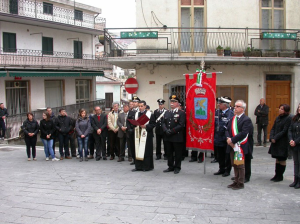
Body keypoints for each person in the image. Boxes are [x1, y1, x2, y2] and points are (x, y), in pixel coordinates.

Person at [226, 100, 252, 190]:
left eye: (237, 106)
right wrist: (228, 139)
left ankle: (240, 182)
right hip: (232, 145)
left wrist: (232, 140)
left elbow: (244, 133)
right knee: (234, 164)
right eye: (235, 106)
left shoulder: (246, 119)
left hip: (240, 146)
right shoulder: (233, 118)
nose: (235, 108)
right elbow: (227, 129)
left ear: (242, 109)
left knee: (240, 165)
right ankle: (236, 181)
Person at [269, 104, 292, 182]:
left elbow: (284, 131)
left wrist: (275, 137)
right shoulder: (278, 118)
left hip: (283, 142)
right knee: (277, 158)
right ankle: (276, 175)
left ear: (286, 110)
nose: (279, 110)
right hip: (276, 142)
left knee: (282, 158)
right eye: (279, 108)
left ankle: (280, 175)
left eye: (282, 109)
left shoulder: (289, 118)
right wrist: (271, 137)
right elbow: (273, 128)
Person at [162, 95, 185, 174]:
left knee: (177, 153)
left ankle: (177, 167)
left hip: (176, 136)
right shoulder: (167, 112)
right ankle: (170, 166)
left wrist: (172, 131)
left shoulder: (181, 113)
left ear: (178, 104)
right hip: (168, 136)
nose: (172, 103)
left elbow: (181, 125)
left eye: (174, 102)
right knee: (169, 152)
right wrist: (165, 130)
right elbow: (163, 123)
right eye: (171, 102)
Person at [131, 100, 155, 172]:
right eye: (139, 106)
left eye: (141, 106)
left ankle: (146, 166)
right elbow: (133, 124)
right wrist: (135, 124)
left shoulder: (150, 114)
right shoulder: (136, 114)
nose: (140, 108)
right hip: (138, 134)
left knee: (146, 151)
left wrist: (146, 126)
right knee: (138, 149)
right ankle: (138, 166)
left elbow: (153, 124)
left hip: (147, 134)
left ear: (145, 106)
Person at [213, 97, 234, 177]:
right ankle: (221, 168)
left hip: (226, 138)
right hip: (218, 137)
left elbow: (229, 126)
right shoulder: (217, 112)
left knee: (227, 155)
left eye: (220, 103)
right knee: (220, 155)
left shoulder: (230, 113)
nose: (218, 105)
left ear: (225, 105)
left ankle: (227, 170)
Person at [288, 104, 300, 189]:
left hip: (298, 143)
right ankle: (295, 179)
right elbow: (290, 130)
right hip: (294, 144)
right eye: (299, 107)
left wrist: (296, 141)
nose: (299, 108)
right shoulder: (295, 118)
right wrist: (291, 139)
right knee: (296, 162)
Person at [127, 99, 139, 165]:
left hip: (137, 130)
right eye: (133, 102)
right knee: (132, 146)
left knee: (137, 146)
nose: (134, 103)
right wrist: (129, 129)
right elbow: (128, 121)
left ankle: (138, 159)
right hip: (131, 131)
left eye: (136, 102)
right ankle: (134, 159)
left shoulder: (139, 111)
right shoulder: (131, 111)